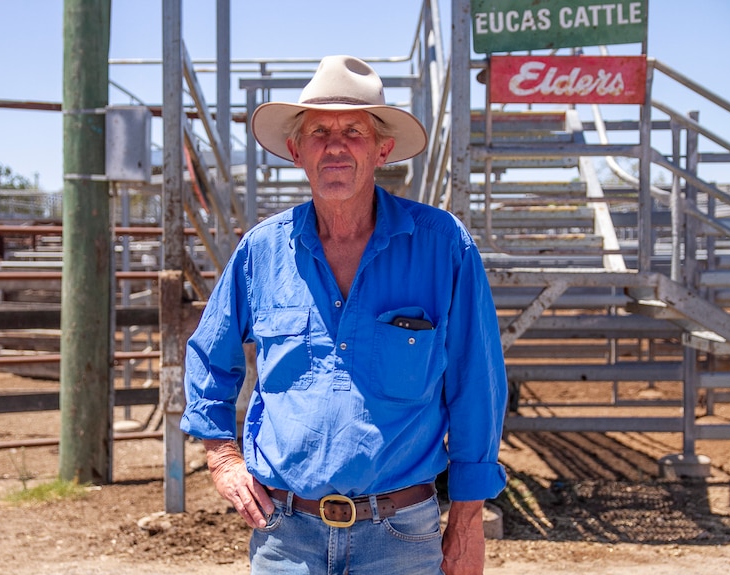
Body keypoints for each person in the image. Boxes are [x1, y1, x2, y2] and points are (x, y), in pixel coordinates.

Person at [181, 55, 507, 575]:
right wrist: (222, 456)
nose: (335, 145)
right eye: (319, 132)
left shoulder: (443, 247)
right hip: (284, 536)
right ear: (296, 150)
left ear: (382, 150)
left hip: (400, 537)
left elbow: (477, 387)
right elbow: (208, 356)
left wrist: (468, 522)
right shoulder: (262, 252)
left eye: (353, 130)